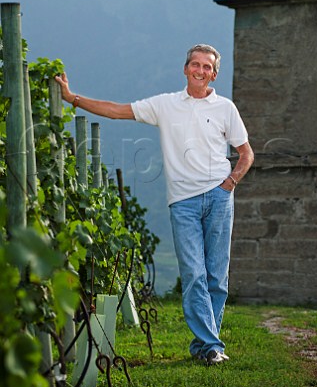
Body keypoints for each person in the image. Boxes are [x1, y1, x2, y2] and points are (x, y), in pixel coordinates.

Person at [55, 44, 254, 366]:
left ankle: (206, 346)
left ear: (214, 73)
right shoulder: (165, 105)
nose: (200, 71)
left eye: (207, 67)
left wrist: (229, 184)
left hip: (220, 197)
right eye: (195, 65)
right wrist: (72, 97)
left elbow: (246, 153)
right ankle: (211, 345)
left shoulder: (225, 108)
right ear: (186, 68)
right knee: (194, 274)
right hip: (183, 202)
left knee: (217, 277)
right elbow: (116, 110)